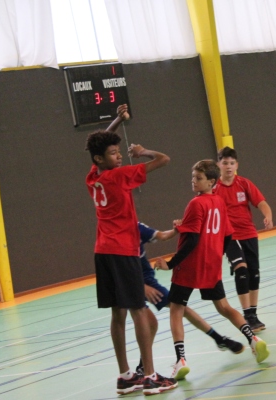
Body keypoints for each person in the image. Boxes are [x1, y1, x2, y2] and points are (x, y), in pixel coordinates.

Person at [84, 104, 177, 395]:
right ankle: (150, 376)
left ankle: (125, 376)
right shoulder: (118, 176)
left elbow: (97, 146)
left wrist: (116, 122)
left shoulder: (94, 177)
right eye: (114, 154)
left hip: (103, 252)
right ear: (101, 159)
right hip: (123, 251)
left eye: (119, 152)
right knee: (138, 310)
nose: (119, 155)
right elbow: (164, 159)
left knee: (118, 313)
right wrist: (144, 151)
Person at [156, 160, 270, 380]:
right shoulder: (218, 202)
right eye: (193, 177)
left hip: (190, 266)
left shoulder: (195, 204)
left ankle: (181, 360)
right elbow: (227, 236)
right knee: (224, 307)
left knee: (176, 309)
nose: (194, 181)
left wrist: (170, 263)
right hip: (212, 265)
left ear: (211, 181)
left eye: (198, 178)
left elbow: (191, 240)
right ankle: (253, 340)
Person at [133, 222, 245, 377]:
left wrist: (178, 228)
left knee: (177, 308)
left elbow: (163, 235)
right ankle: (139, 370)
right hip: (130, 281)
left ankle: (218, 338)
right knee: (149, 321)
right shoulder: (113, 237)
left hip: (145, 279)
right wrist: (141, 287)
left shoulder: (136, 227)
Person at [214, 147, 273, 332]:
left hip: (249, 234)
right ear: (219, 165)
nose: (228, 167)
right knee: (241, 270)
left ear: (237, 165)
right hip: (229, 237)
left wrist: (268, 216)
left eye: (232, 163)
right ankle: (247, 314)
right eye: (225, 163)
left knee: (254, 273)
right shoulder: (215, 188)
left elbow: (262, 203)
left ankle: (253, 314)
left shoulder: (244, 184)